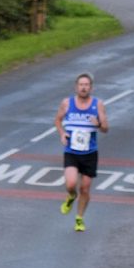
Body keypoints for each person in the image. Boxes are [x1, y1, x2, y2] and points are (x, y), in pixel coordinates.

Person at [55, 72, 109, 233]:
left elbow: (106, 128)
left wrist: (98, 123)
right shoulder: (67, 103)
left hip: (90, 153)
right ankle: (71, 196)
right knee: (71, 184)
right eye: (81, 85)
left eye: (87, 85)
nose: (84, 87)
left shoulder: (98, 104)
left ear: (91, 87)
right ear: (76, 87)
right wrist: (62, 133)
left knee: (85, 188)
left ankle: (79, 218)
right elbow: (57, 120)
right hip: (71, 151)